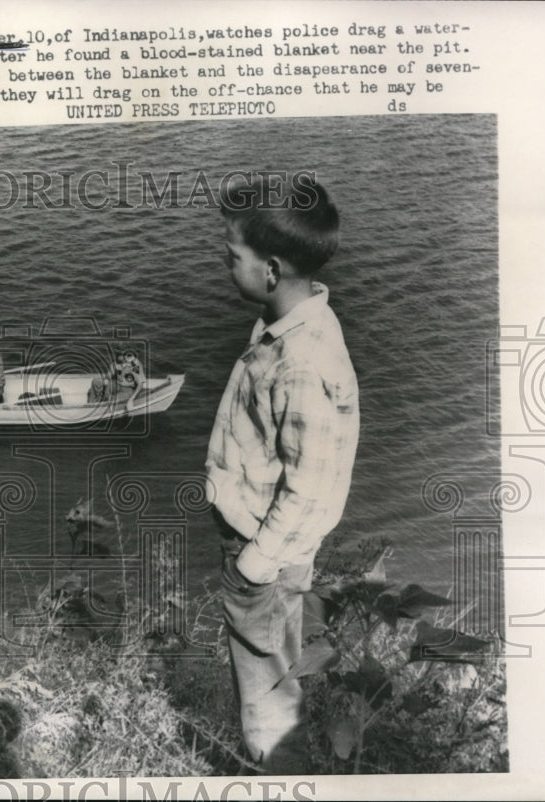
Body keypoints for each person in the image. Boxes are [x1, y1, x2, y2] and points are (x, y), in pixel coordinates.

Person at [205, 173, 359, 773]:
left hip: (262, 557)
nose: (225, 264)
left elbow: (310, 488)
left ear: (269, 270)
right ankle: (276, 766)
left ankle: (280, 776)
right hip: (269, 552)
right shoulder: (295, 321)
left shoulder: (301, 363)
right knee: (271, 674)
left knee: (268, 698)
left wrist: (251, 565)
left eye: (231, 255)